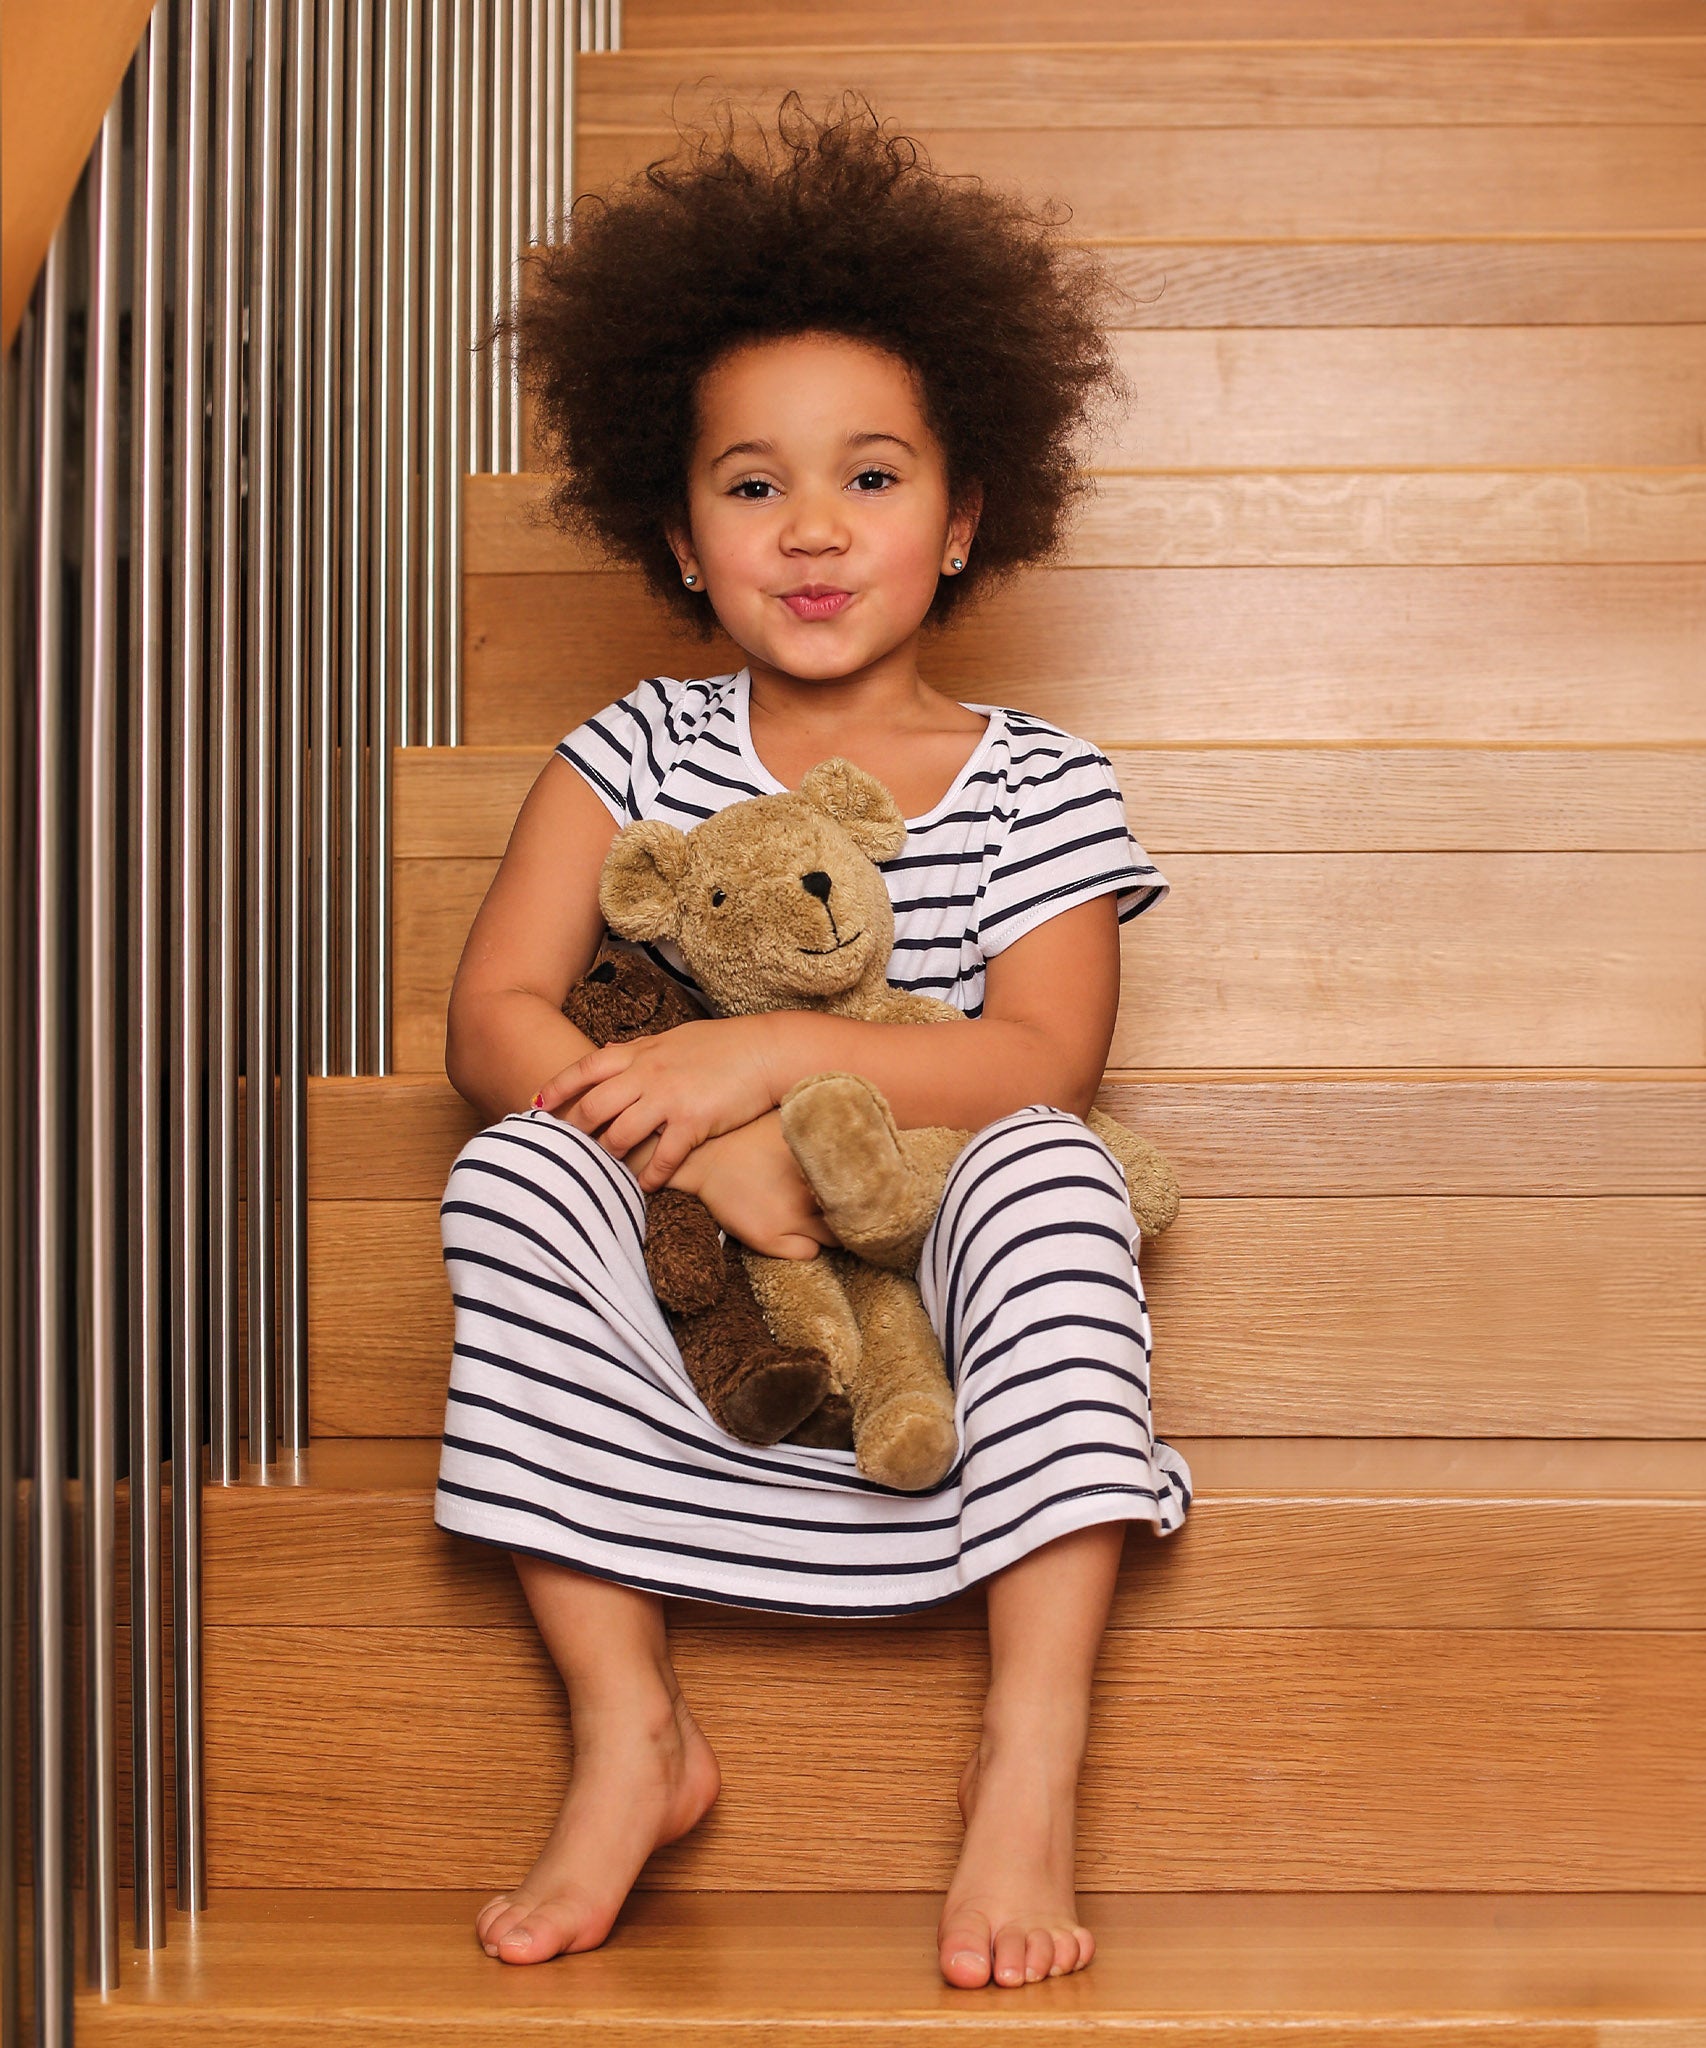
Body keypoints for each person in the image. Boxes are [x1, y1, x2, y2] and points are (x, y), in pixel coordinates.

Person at [434, 94, 1193, 1993]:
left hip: (933, 1250)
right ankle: (634, 1733)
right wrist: (684, 1143)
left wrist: (751, 1054)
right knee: (511, 1164)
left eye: (869, 477)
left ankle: (1028, 1758)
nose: (814, 529)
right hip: (719, 1281)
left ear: (966, 516)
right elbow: (493, 1015)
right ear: (677, 535)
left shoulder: (1042, 781)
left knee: (1050, 1176)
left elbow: (1039, 1059)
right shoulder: (631, 750)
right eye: (750, 486)